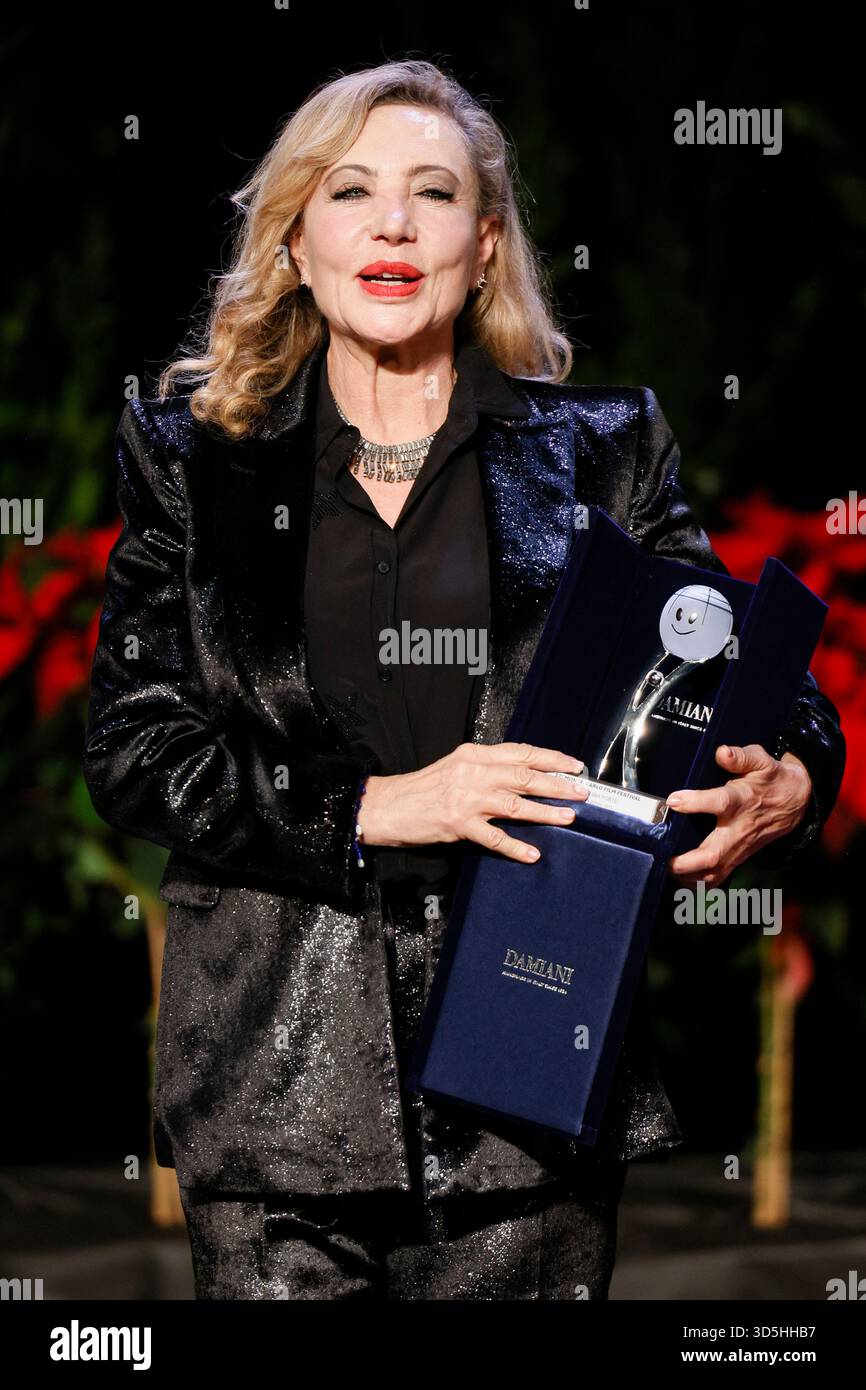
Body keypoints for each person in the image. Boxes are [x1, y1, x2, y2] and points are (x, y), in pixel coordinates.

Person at [82, 59, 845, 1300]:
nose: (391, 223)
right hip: (276, 1099)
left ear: (483, 246)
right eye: (349, 192)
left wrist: (795, 771)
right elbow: (134, 745)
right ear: (293, 242)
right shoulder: (191, 462)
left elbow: (730, 657)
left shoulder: (602, 449)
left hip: (525, 1091)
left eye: (431, 194)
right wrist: (375, 808)